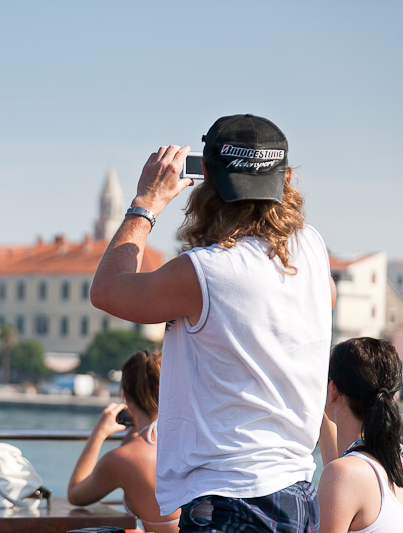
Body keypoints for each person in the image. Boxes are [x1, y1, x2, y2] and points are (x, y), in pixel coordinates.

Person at [91, 114, 335, 532]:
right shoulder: (310, 248)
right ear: (287, 179)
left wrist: (146, 203)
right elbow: (325, 296)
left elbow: (107, 290)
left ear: (206, 176)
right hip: (297, 492)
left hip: (229, 499)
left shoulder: (204, 272)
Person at [68, 350, 180, 533]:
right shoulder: (186, 438)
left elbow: (75, 494)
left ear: (126, 396)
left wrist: (99, 433)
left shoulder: (123, 459)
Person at [317, 337, 403, 532]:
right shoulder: (391, 463)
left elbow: (342, 473)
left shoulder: (344, 476)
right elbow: (342, 460)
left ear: (332, 390)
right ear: (393, 397)